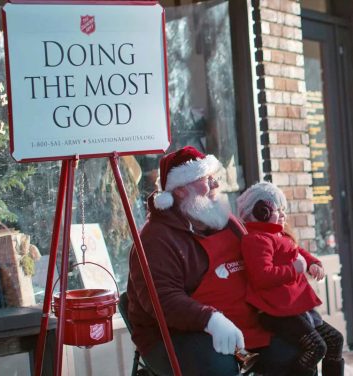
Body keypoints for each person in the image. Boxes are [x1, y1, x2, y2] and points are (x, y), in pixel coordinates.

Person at [126, 146, 298, 376]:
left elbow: (257, 263)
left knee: (295, 349)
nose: (216, 184)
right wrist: (211, 320)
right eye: (206, 179)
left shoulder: (225, 220)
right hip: (175, 334)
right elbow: (162, 299)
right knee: (216, 367)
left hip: (242, 322)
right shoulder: (155, 239)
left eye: (213, 177)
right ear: (180, 191)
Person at [236, 182, 345, 376]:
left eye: (283, 209)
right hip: (276, 311)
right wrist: (295, 269)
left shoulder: (278, 235)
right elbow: (263, 276)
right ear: (260, 211)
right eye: (277, 210)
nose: (283, 214)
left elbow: (298, 251)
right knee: (315, 348)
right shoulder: (256, 239)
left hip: (295, 307)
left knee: (334, 340)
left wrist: (312, 263)